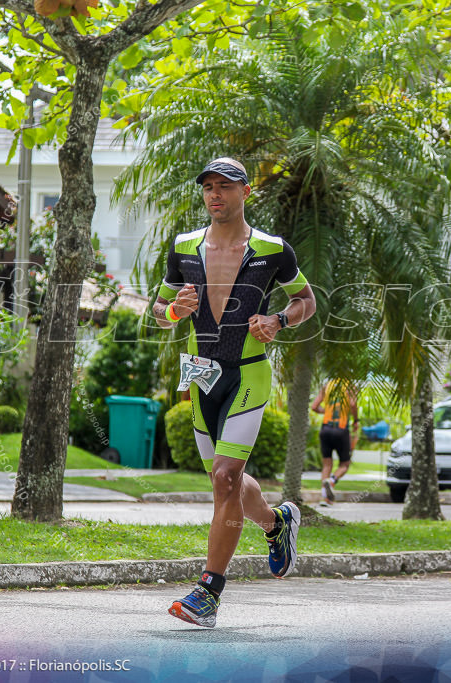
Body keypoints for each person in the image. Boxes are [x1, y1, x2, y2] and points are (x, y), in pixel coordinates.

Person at [154, 157, 317, 628]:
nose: (215, 195)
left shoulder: (272, 249)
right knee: (222, 480)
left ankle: (209, 593)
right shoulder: (183, 248)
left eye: (225, 186)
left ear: (247, 192)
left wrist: (279, 320)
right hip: (201, 374)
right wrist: (172, 312)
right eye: (208, 187)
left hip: (247, 373)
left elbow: (306, 299)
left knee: (226, 478)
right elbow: (160, 306)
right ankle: (276, 524)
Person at [310, 379, 359, 506]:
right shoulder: (350, 386)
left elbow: (314, 407)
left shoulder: (327, 385)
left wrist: (326, 411)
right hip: (341, 429)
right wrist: (356, 420)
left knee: (327, 465)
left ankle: (324, 498)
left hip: (325, 429)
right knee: (345, 464)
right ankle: (331, 481)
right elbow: (353, 405)